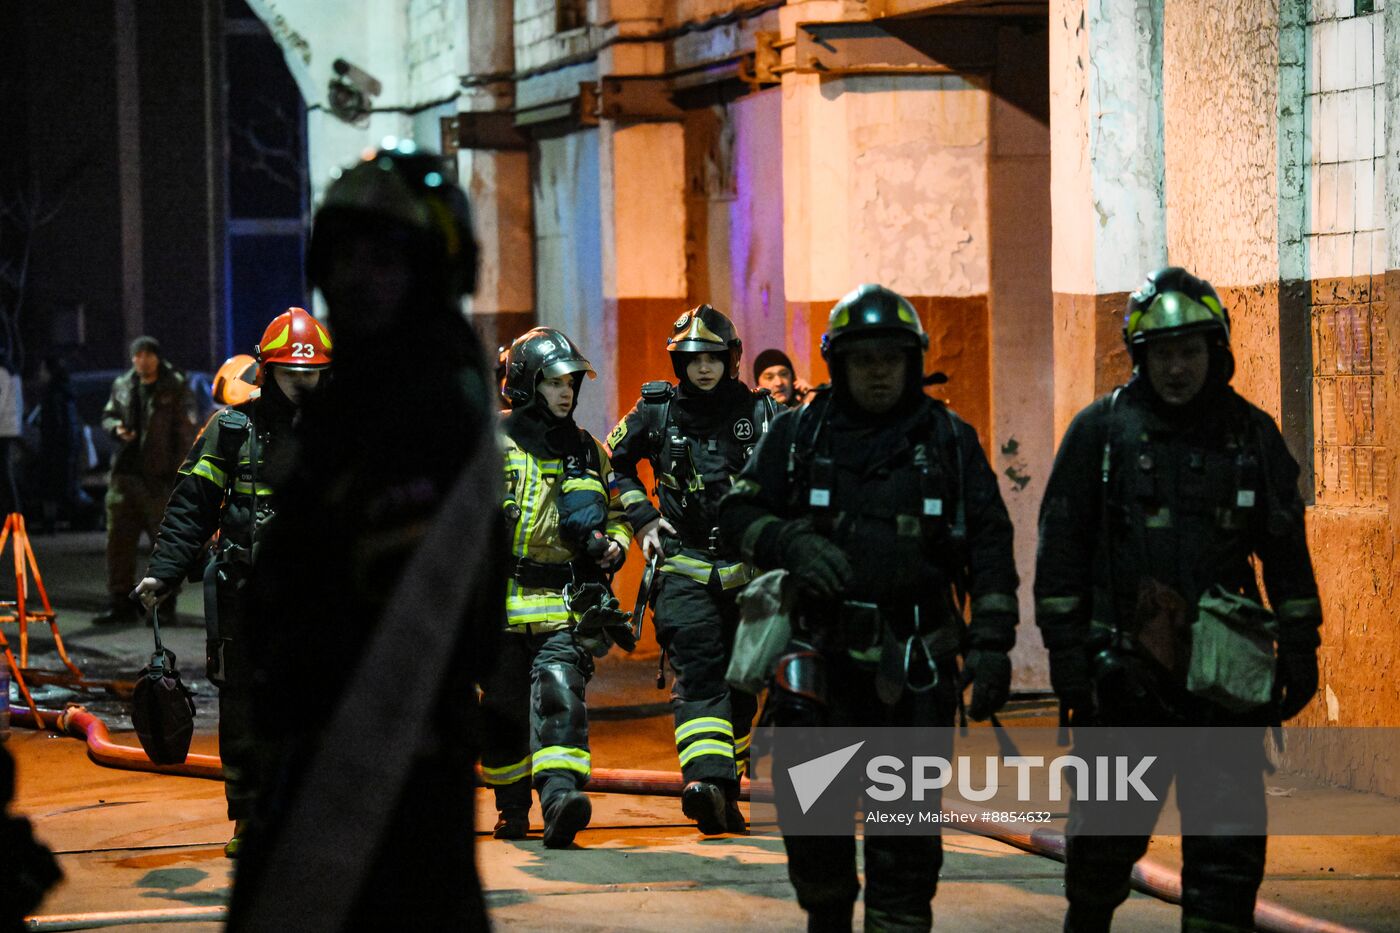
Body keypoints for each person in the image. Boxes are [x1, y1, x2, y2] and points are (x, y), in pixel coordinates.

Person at [227, 143, 499, 932]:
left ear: (433, 269)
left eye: (383, 259)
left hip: (368, 774)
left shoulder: (427, 407)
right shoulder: (364, 393)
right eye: (341, 257)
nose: (354, 278)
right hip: (334, 760)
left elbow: (382, 621)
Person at [718, 283, 1019, 932]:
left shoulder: (947, 441)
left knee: (904, 852)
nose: (879, 371)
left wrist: (992, 645)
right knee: (814, 833)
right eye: (864, 358)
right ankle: (826, 913)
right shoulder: (800, 435)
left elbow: (991, 546)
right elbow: (735, 511)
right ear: (838, 364)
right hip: (819, 673)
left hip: (913, 677)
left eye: (891, 357)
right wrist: (786, 538)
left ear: (913, 361)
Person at [1034, 267, 1322, 932]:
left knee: (1226, 861)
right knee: (1102, 848)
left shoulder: (1251, 436)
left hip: (1223, 687)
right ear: (1140, 356)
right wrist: (1069, 659)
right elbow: (1062, 553)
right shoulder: (1099, 434)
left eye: (1189, 351)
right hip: (1122, 685)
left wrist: (1301, 646)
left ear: (1215, 351)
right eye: (1162, 353)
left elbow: (1285, 552)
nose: (1177, 368)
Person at [133, 307, 331, 858]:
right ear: (267, 371)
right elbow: (191, 509)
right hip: (246, 596)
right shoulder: (231, 429)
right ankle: (248, 818)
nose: (301, 383)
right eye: (291, 373)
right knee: (243, 710)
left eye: (311, 373)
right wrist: (162, 574)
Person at [607, 304, 777, 835]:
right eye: (692, 359)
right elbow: (610, 464)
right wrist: (642, 519)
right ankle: (703, 783)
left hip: (748, 574)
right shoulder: (655, 411)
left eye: (714, 358)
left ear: (732, 360)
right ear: (678, 363)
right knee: (700, 671)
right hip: (682, 570)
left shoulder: (764, 415)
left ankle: (726, 790)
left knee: (743, 689)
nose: (704, 368)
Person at [479, 326, 632, 848]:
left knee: (560, 693)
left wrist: (615, 544)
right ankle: (512, 808)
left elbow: (616, 513)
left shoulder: (587, 450)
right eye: (554, 382)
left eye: (572, 382)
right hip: (497, 606)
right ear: (525, 384)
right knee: (501, 713)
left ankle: (561, 798)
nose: (567, 392)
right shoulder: (488, 442)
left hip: (561, 603)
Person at [93, 337, 198, 625]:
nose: (142, 360)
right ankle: (120, 604)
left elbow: (186, 433)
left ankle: (165, 607)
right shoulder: (123, 384)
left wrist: (178, 474)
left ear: (157, 357)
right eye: (137, 355)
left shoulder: (174, 386)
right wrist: (117, 429)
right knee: (118, 545)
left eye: (148, 354)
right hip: (124, 476)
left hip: (158, 479)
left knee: (163, 545)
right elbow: (108, 415)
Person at [33, 356, 86, 535]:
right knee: (65, 488)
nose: (39, 374)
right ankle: (81, 518)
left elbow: (53, 424)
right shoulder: (65, 393)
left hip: (55, 449)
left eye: (42, 370)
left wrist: (47, 446)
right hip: (67, 447)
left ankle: (51, 523)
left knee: (51, 489)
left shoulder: (52, 395)